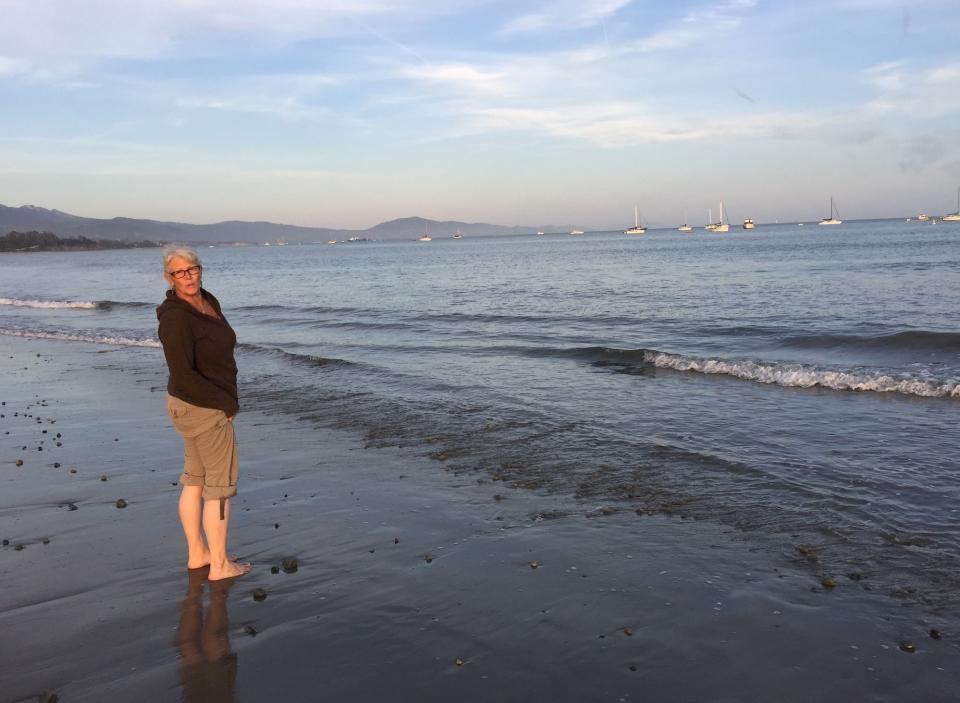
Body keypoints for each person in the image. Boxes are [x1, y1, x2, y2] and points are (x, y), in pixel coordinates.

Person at [158, 245, 251, 580]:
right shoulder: (175, 318)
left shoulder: (207, 301)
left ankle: (199, 554)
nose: (188, 277)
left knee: (195, 480)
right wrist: (225, 404)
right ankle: (221, 565)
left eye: (192, 269)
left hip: (194, 406)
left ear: (200, 269)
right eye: (179, 272)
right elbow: (183, 374)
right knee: (219, 488)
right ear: (169, 277)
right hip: (201, 407)